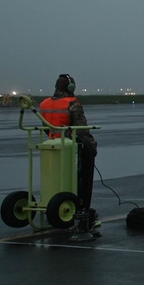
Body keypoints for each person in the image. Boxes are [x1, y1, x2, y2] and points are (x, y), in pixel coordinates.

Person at [39, 74, 99, 236]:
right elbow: (82, 129)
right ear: (70, 87)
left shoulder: (44, 103)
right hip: (71, 147)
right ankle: (82, 212)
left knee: (54, 179)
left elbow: (46, 127)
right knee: (79, 180)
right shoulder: (72, 104)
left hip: (51, 145)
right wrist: (91, 147)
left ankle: (53, 206)